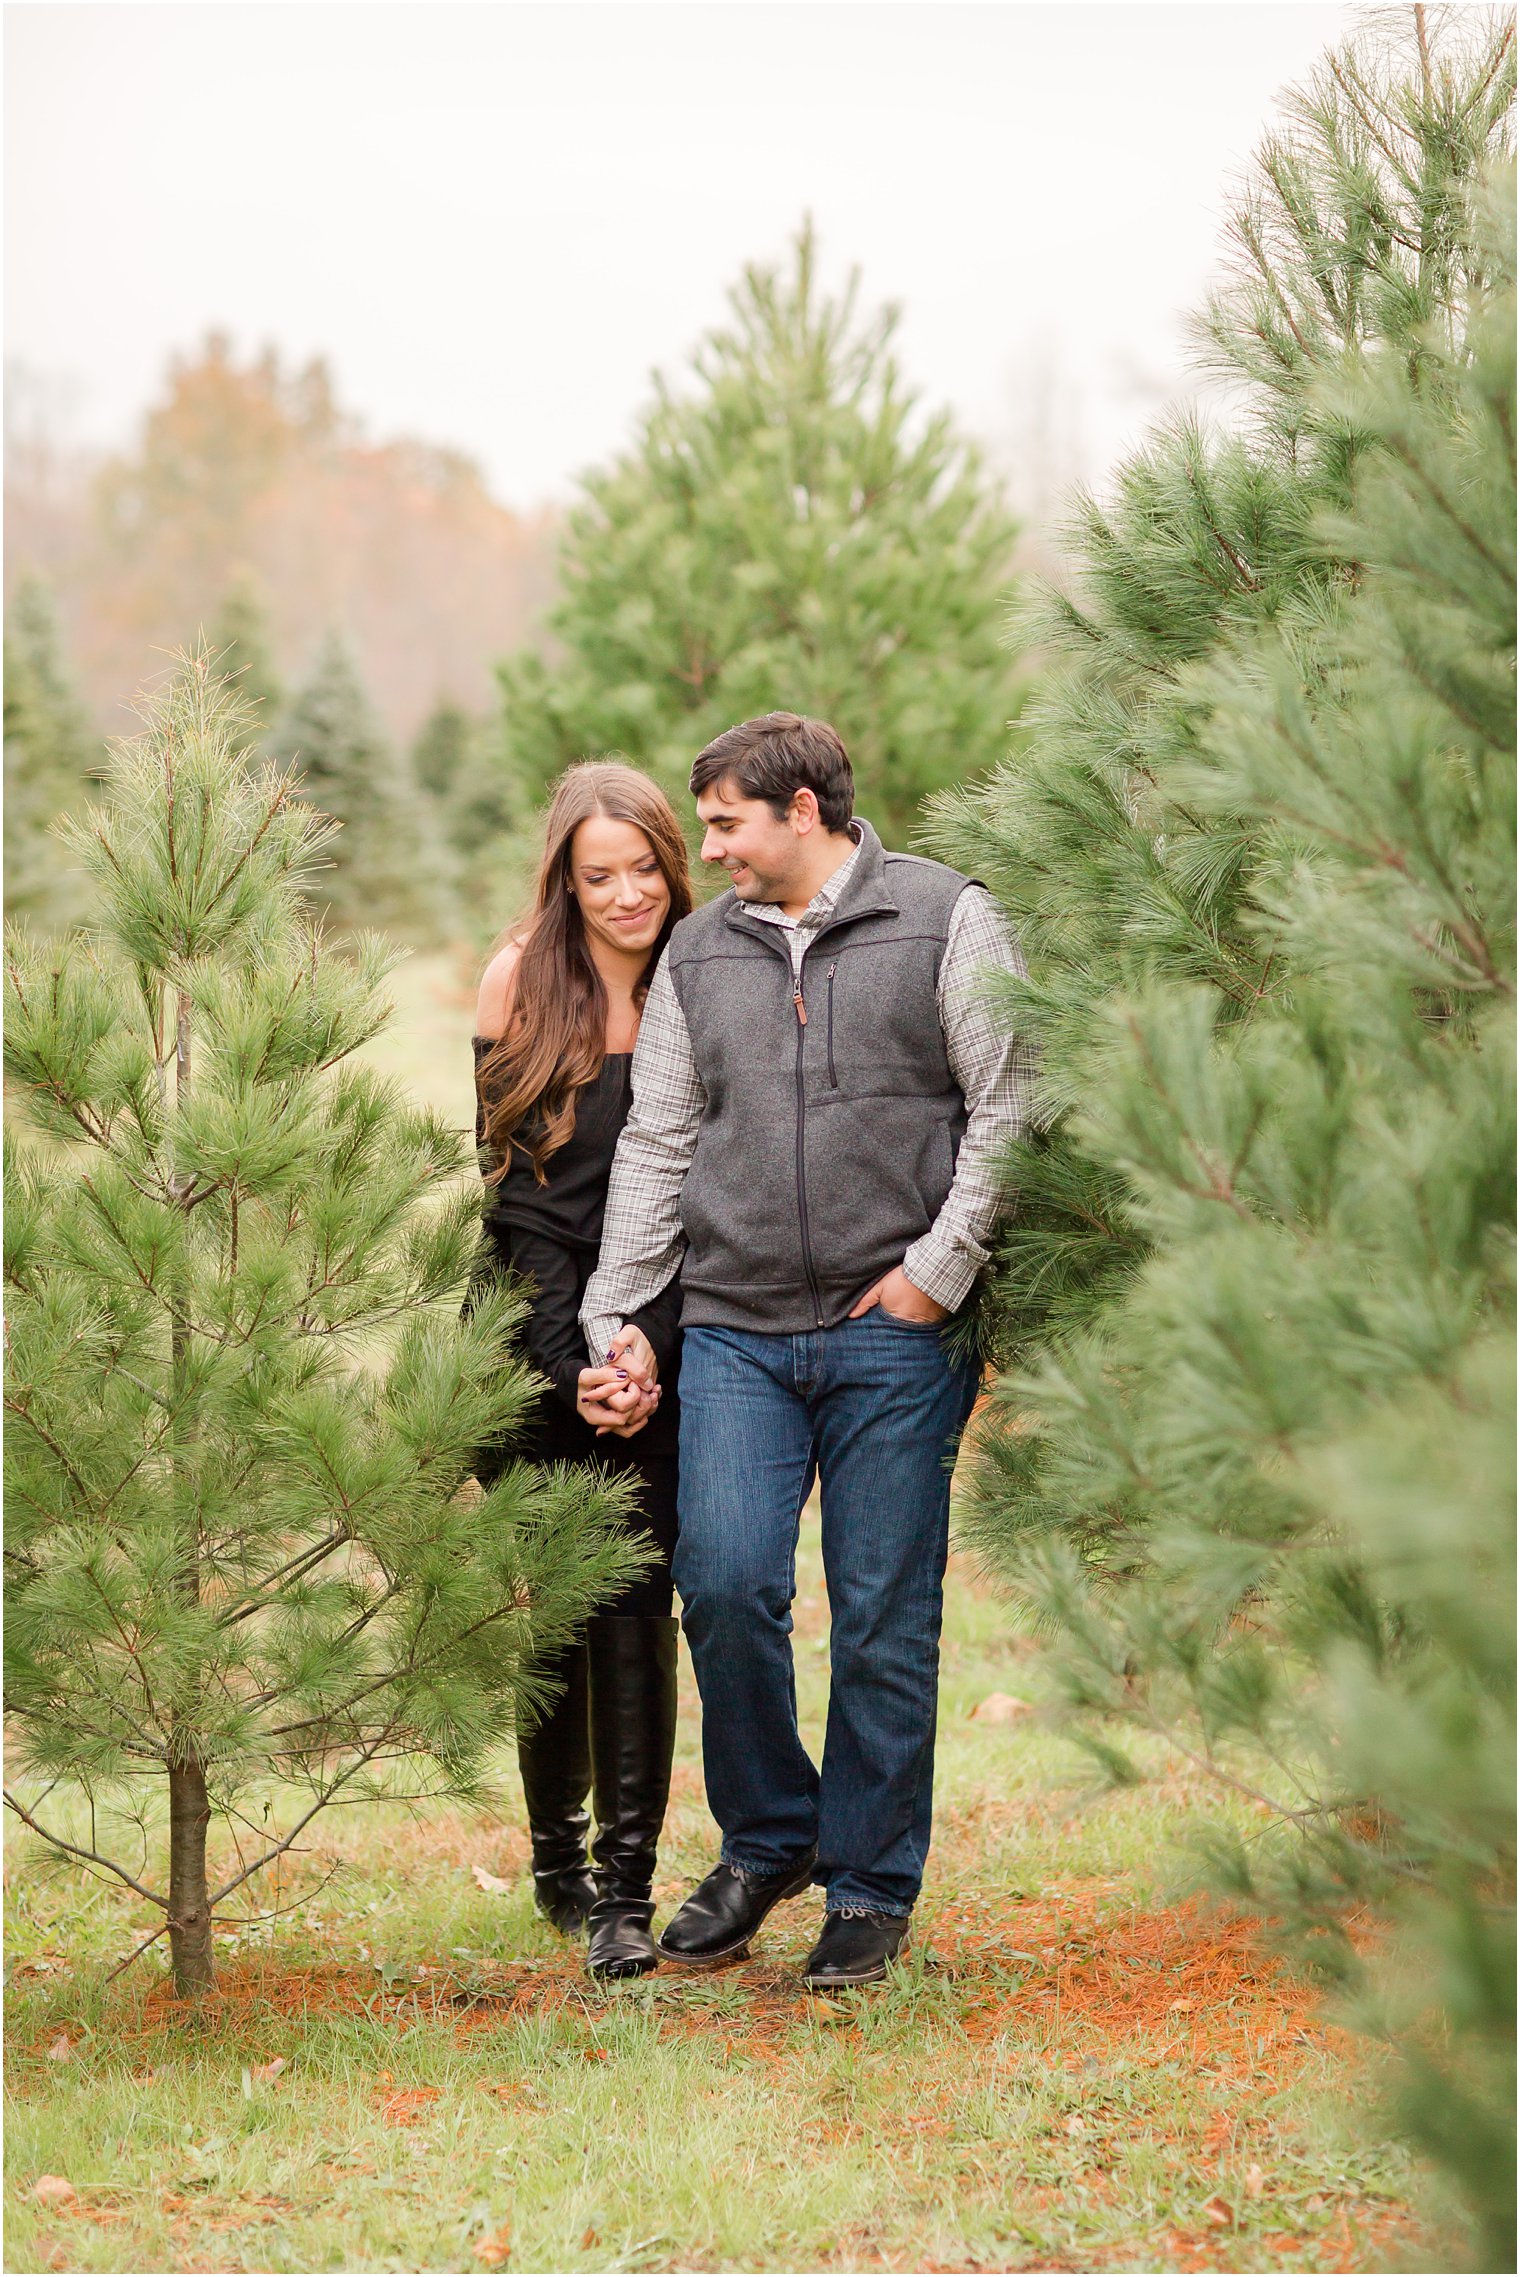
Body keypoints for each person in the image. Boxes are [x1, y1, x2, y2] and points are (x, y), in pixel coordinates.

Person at [577, 712, 1033, 1989]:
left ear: (804, 812)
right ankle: (770, 1836)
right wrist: (620, 1315)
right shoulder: (696, 956)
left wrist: (932, 1279)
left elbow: (1006, 1105)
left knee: (884, 1613)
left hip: (891, 1335)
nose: (704, 847)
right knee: (721, 1582)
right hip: (733, 1330)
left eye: (724, 822)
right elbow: (660, 1143)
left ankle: (870, 1887)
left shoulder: (945, 919)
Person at [472, 761, 690, 1981]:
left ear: (673, 861)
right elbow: (515, 1208)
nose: (623, 896)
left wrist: (644, 1341)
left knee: (633, 1607)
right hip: (530, 1324)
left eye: (642, 869)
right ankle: (554, 1859)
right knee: (552, 1609)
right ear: (564, 877)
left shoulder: (704, 981)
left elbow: (708, 1195)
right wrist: (567, 1371)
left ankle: (624, 1888)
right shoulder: (521, 981)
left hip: (664, 1332)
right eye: (595, 875)